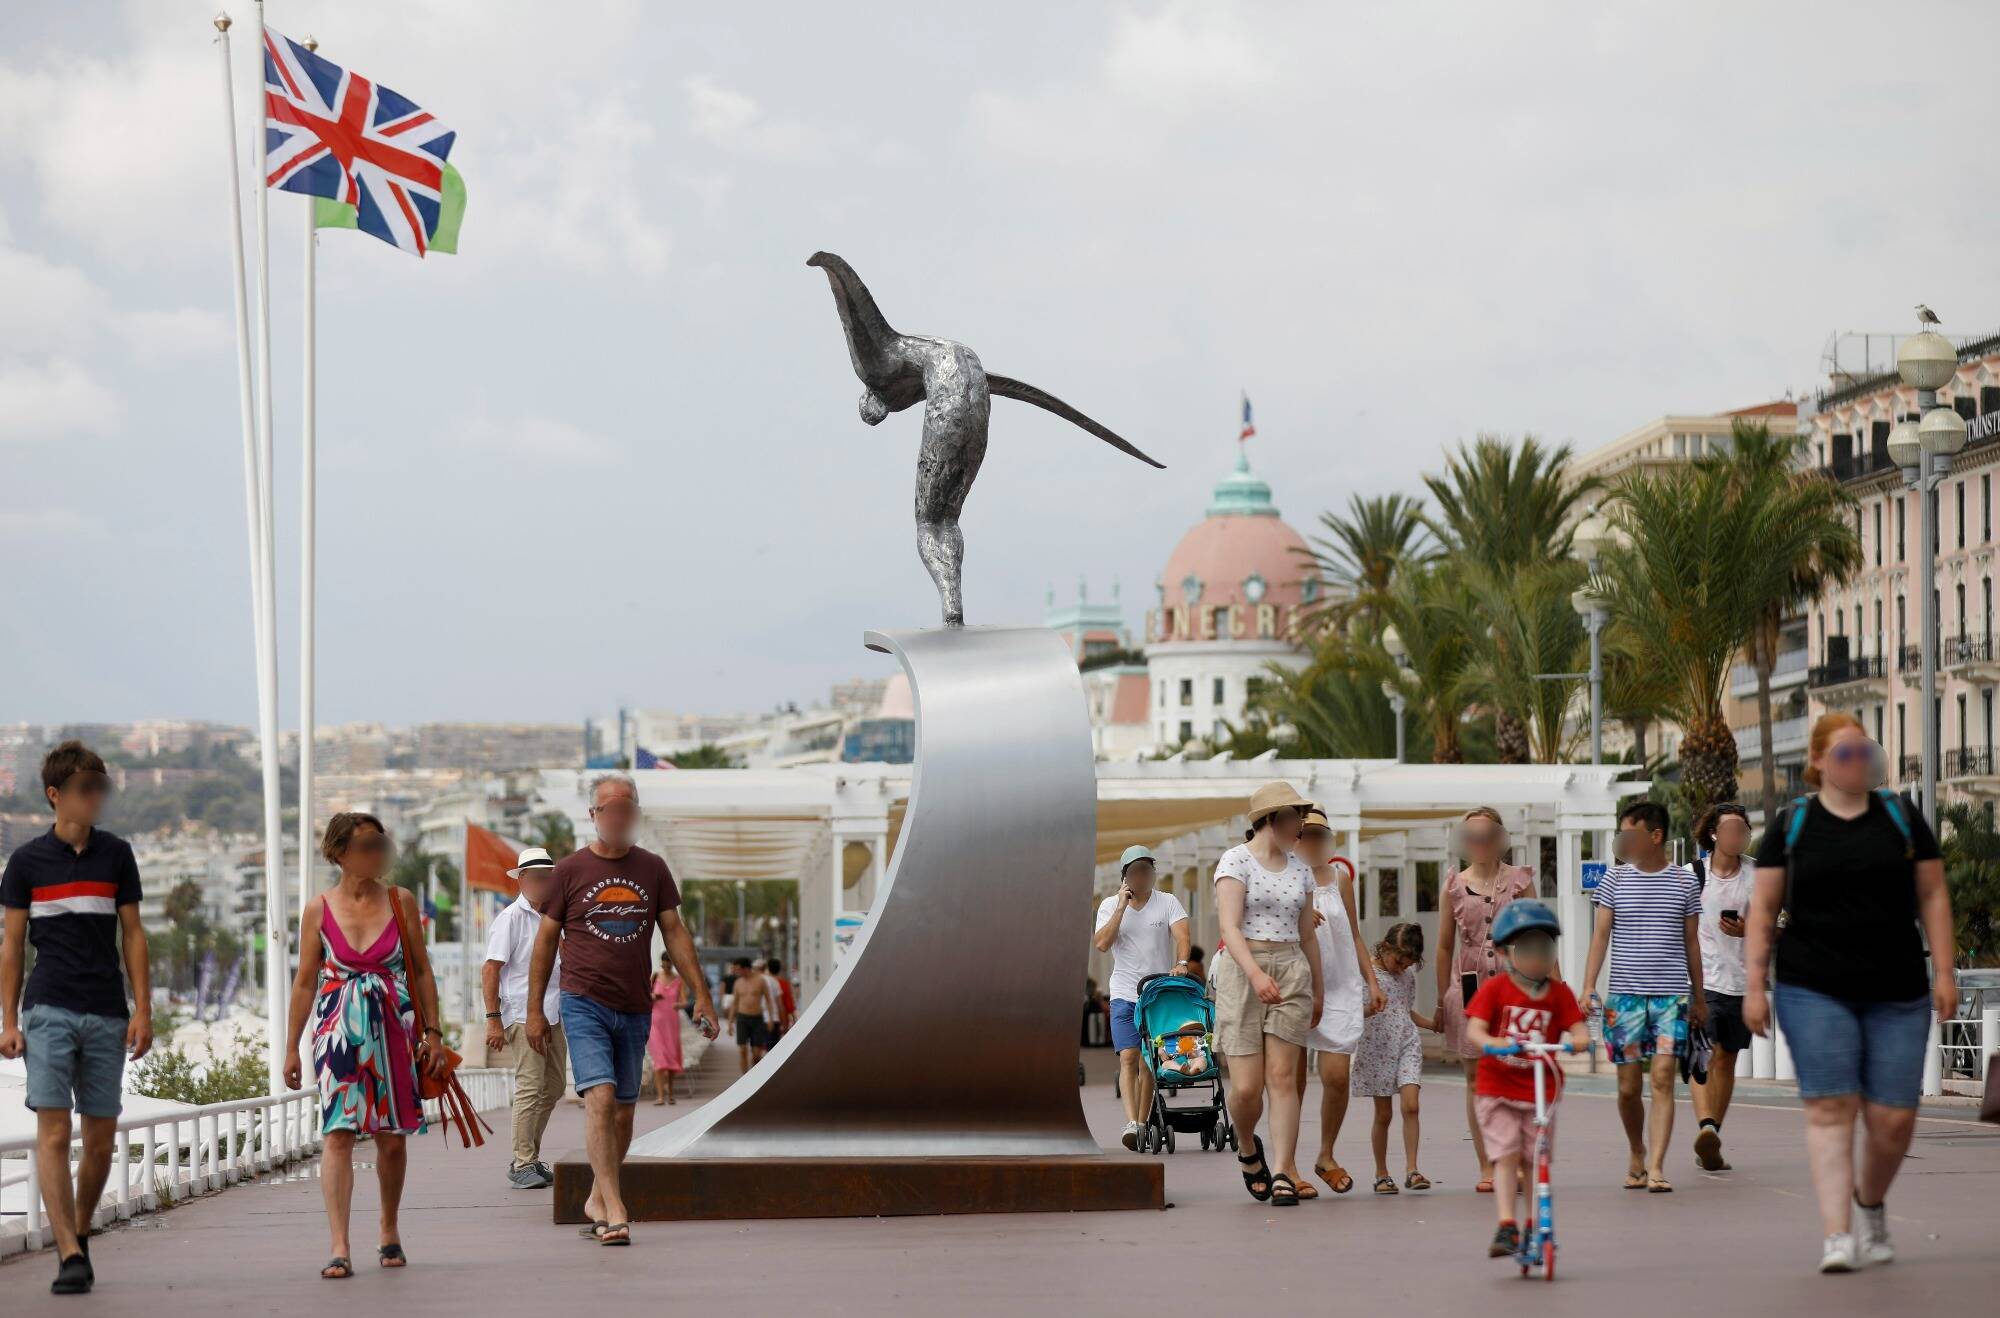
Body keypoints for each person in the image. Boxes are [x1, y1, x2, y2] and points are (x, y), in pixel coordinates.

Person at [1745, 714, 1957, 1274]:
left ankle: (1870, 1203)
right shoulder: (1792, 825)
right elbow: (1762, 910)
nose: (1856, 761)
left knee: (1892, 1122)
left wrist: (1945, 972)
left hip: (1896, 988)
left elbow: (1933, 894)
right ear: (1817, 764)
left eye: (1863, 751)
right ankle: (1837, 1233)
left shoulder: (1900, 817)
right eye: (1844, 754)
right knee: (1831, 1108)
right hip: (1812, 986)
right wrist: (1754, 987)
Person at [527, 774, 718, 1247]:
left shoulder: (652, 867)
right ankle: (615, 1208)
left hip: (635, 1007)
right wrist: (534, 1009)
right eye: (609, 809)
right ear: (593, 816)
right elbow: (546, 942)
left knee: (624, 1112)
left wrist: (702, 996)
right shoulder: (569, 871)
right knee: (601, 1098)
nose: (618, 817)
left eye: (626, 809)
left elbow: (674, 931)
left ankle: (597, 1195)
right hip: (582, 999)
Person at [0, 741, 152, 1296]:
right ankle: (67, 1251)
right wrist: (9, 1020)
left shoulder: (117, 855)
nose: (96, 798)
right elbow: (12, 944)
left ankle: (80, 1230)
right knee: (55, 1132)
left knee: (102, 1142)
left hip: (108, 1011)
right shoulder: (25, 864)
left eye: (101, 788)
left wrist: (144, 1009)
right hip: (48, 1010)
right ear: (55, 795)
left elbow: (133, 934)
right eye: (86, 789)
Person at [283, 812, 446, 1280]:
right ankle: (339, 1245)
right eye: (367, 845)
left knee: (391, 1139)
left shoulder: (401, 901)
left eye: (380, 843)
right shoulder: (319, 909)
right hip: (336, 1036)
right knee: (336, 1134)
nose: (377, 853)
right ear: (339, 853)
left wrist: (433, 1032)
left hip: (393, 1030)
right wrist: (291, 1047)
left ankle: (389, 1228)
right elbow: (303, 983)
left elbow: (420, 971)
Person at [1581, 799, 1706, 1194]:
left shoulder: (1685, 882)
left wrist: (1699, 997)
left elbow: (1692, 943)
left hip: (1672, 998)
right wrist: (1588, 986)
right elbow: (1600, 936)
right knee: (1628, 1088)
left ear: (1655, 836)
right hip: (1625, 999)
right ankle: (1637, 1150)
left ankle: (1656, 1166)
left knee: (1666, 1079)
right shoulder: (1614, 881)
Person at [1213, 782, 1323, 1207]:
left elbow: (1308, 935)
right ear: (1272, 819)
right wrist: (1256, 973)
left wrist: (1319, 990)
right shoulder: (1235, 862)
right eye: (1296, 817)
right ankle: (1246, 1145)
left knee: (1281, 1079)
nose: (1301, 826)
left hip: (1292, 969)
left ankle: (1281, 1171)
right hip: (1243, 972)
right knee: (1245, 1089)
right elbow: (1229, 928)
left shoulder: (1300, 869)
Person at [1463, 900, 1589, 1259]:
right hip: (1498, 1088)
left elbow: (1578, 1028)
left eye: (1545, 948)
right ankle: (1507, 1224)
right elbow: (1475, 1028)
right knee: (1506, 1155)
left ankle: (1535, 1221)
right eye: (1528, 949)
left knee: (1536, 1158)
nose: (1538, 957)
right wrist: (1493, 1043)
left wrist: (1577, 1040)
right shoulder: (1495, 989)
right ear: (1505, 953)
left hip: (1541, 1091)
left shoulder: (1558, 993)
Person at [1434, 806, 1537, 1192]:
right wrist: (1444, 997)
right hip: (1470, 988)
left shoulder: (1520, 881)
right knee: (1477, 1079)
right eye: (1471, 836)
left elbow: (1538, 937)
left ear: (1500, 838)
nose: (1479, 843)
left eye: (1486, 835)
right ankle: (1489, 1164)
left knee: (1518, 1072)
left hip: (1517, 985)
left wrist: (1556, 989)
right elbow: (1444, 946)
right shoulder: (1454, 885)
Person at [1294, 809, 1383, 1196]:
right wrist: (1296, 915)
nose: (1312, 841)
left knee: (1335, 1077)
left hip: (1339, 988)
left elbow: (1355, 934)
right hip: (1295, 988)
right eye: (1305, 833)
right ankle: (1288, 1165)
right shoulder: (1282, 877)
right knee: (1289, 1084)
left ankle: (1326, 1153)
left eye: (1319, 834)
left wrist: (1372, 981)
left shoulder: (1341, 878)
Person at [1092, 843, 1191, 1151]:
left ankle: (1145, 1121)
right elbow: (1102, 944)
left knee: (1149, 1062)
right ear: (1125, 877)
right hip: (1123, 993)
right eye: (1135, 871)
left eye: (1147, 870)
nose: (1142, 876)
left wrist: (1182, 963)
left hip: (1157, 993)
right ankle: (1132, 1123)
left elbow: (1183, 936)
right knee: (1129, 1057)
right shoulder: (1110, 905)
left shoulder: (1168, 902)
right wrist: (1121, 907)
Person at [482, 846, 568, 1188]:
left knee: (556, 1085)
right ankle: (523, 1161)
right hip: (521, 1012)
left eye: (546, 877)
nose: (541, 883)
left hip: (554, 1011)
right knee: (531, 1086)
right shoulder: (511, 919)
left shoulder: (555, 916)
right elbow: (490, 969)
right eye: (534, 877)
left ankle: (529, 1156)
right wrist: (493, 1019)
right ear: (521, 881)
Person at [1691, 802, 1754, 1171]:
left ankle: (1712, 1135)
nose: (1737, 836)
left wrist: (1752, 929)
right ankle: (1706, 1125)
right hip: (1702, 982)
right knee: (1704, 1054)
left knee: (1727, 1059)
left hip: (1743, 982)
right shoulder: (1692, 874)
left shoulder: (1758, 875)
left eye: (1743, 830)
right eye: (1730, 829)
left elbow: (1781, 922)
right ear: (1714, 834)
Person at [1352, 923, 1436, 1194]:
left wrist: (1432, 1023)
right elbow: (1355, 1013)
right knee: (1384, 1113)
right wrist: (1370, 1009)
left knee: (1411, 1106)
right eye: (1398, 960)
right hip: (1377, 1047)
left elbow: (1405, 1010)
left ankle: (1412, 1169)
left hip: (1406, 1042)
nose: (1401, 967)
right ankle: (1381, 1173)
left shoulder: (1407, 975)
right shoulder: (1368, 974)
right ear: (1385, 947)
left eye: (1408, 962)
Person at [648, 953, 684, 1104]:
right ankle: (660, 1096)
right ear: (661, 963)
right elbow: (644, 994)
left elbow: (683, 1000)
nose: (666, 966)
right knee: (660, 1059)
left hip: (671, 1022)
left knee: (671, 1058)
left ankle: (670, 1094)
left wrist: (678, 1004)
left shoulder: (679, 980)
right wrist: (653, 996)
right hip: (656, 1021)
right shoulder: (655, 976)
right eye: (664, 963)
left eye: (669, 963)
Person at [727, 955, 771, 1070]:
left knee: (756, 1054)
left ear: (745, 968)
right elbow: (735, 1003)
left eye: (737, 969)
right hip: (742, 1018)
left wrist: (770, 1019)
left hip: (757, 1018)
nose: (735, 972)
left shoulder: (760, 981)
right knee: (742, 1050)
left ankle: (754, 1075)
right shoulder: (738, 983)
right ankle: (744, 1078)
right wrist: (730, 1023)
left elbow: (769, 1001)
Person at [766, 957, 796, 1044]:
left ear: (768, 969)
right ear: (779, 969)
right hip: (782, 1018)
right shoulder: (784, 984)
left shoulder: (763, 983)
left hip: (766, 1018)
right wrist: (793, 1019)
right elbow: (789, 1003)